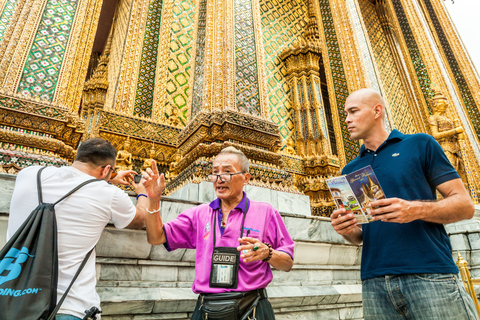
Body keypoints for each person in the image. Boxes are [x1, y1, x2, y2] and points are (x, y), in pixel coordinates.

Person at [330, 88, 477, 319]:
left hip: (429, 274)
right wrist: (348, 230)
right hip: (374, 282)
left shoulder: (419, 144)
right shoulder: (351, 169)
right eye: (345, 113)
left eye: (353, 111)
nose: (346, 119)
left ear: (376, 111)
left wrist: (414, 209)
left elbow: (465, 206)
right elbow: (361, 235)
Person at [7, 138, 162, 320]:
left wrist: (109, 176)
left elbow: (71, 177)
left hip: (13, 299)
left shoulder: (29, 174)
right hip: (68, 307)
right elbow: (140, 218)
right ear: (105, 169)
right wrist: (142, 191)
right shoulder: (109, 194)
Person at [143, 146, 294, 320]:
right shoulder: (199, 214)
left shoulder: (266, 212)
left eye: (227, 172)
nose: (219, 178)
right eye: (215, 173)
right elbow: (156, 238)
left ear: (246, 178)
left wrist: (267, 253)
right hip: (208, 308)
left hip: (252, 307)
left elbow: (287, 263)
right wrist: (153, 200)